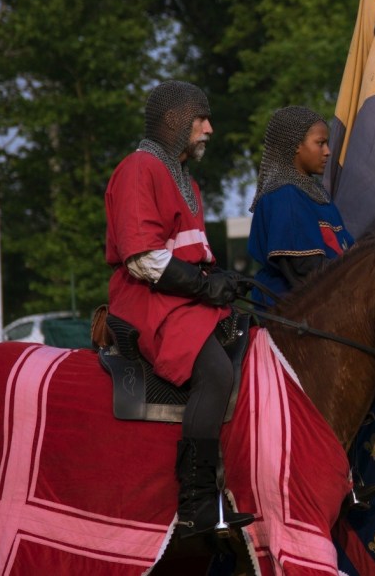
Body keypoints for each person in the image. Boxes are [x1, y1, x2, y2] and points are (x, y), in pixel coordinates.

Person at [105, 80, 253, 538]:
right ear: (174, 121)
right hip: (149, 301)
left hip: (184, 298)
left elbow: (190, 252)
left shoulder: (185, 180)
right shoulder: (138, 168)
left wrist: (223, 279)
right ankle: (196, 505)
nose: (209, 128)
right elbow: (143, 258)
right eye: (200, 119)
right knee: (216, 373)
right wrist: (206, 289)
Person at [248, 106, 354, 306]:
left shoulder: (317, 194)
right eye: (320, 143)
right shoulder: (285, 196)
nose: (328, 152)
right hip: (291, 317)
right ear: (296, 145)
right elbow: (306, 271)